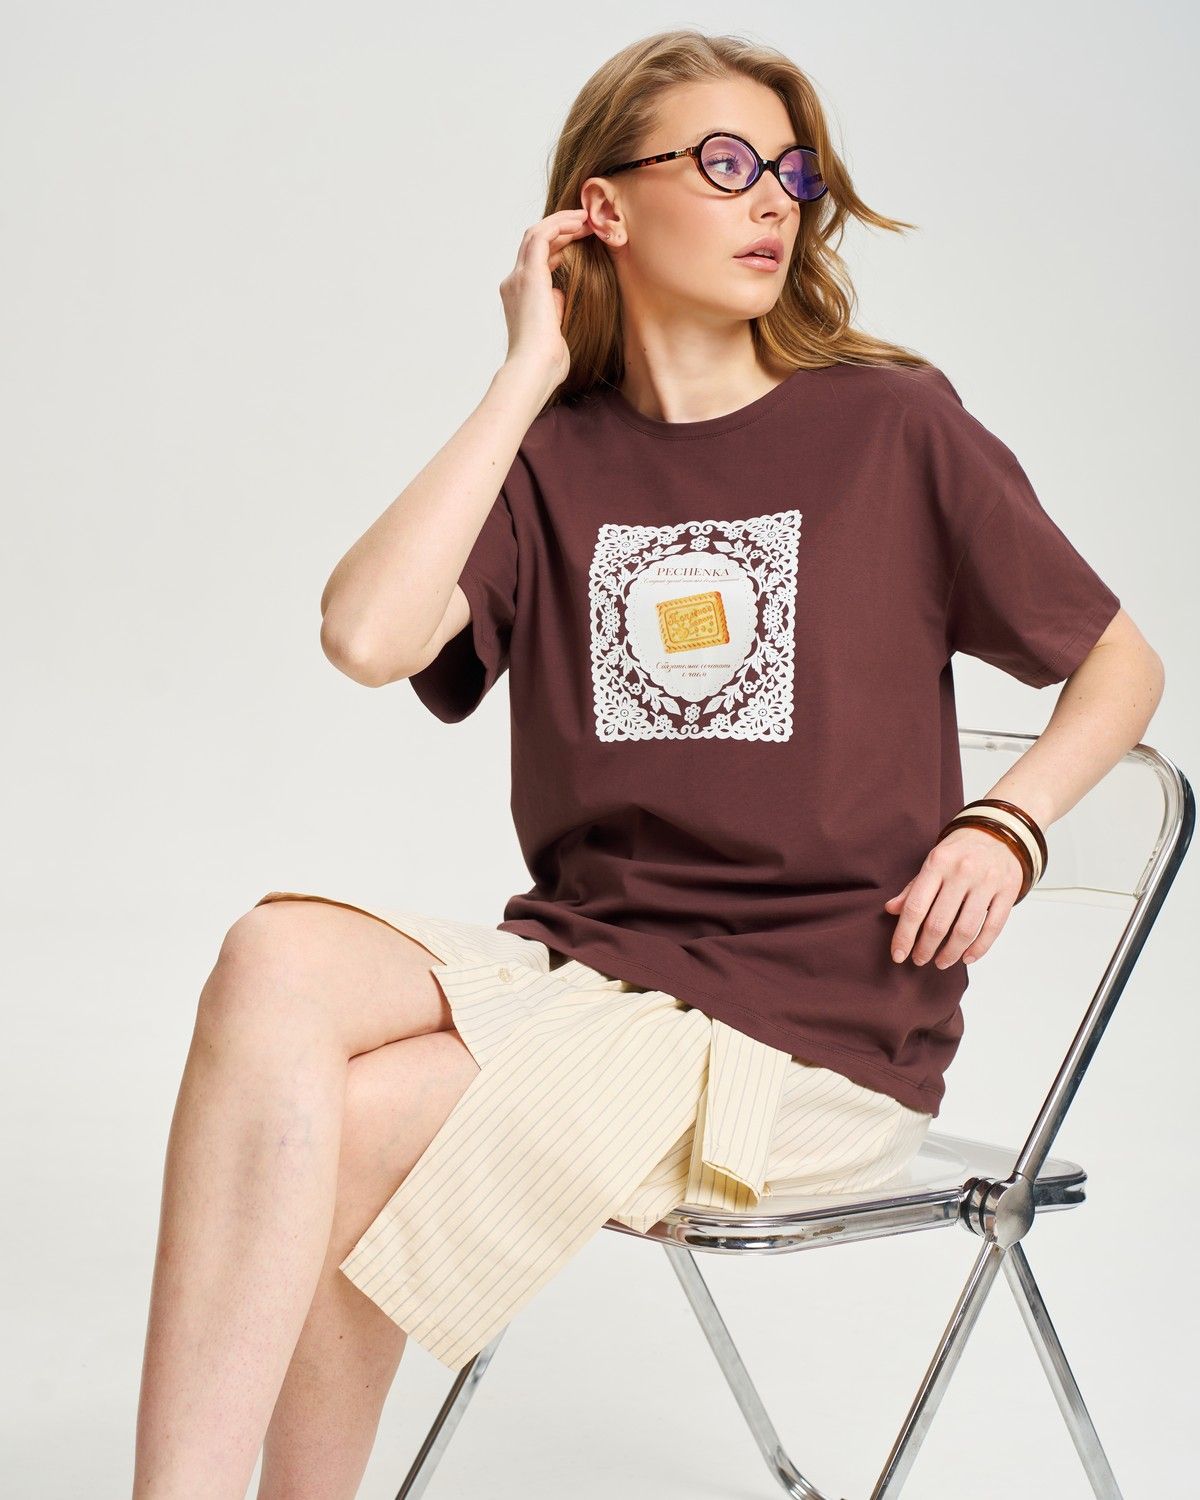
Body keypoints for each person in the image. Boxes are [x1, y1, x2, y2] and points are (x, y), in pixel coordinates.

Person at [131, 27, 1164, 1500]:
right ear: (603, 208)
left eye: (792, 173)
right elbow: (364, 635)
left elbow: (1120, 660)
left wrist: (1010, 821)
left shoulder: (891, 425)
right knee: (271, 951)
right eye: (726, 164)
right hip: (594, 978)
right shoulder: (552, 457)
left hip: (813, 1030)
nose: (772, 202)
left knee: (362, 1123)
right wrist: (523, 375)